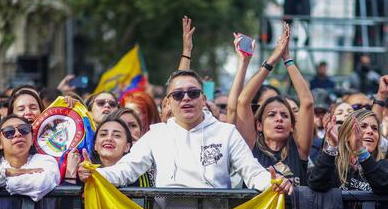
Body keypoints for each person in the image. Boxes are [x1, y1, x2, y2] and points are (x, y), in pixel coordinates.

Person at [78, 69, 293, 195]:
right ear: (168, 103)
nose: (186, 99)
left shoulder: (226, 133)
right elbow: (126, 170)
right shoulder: (156, 134)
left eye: (193, 93)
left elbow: (252, 172)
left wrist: (274, 182)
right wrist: (94, 173)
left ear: (203, 99)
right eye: (178, 95)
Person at [236, 23, 314, 187]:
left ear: (292, 126)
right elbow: (243, 101)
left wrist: (287, 58)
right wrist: (273, 59)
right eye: (271, 115)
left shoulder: (298, 149)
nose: (279, 119)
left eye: (285, 115)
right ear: (258, 125)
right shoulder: (251, 147)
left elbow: (306, 102)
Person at [0, 114, 60, 203]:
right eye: (9, 132)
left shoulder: (45, 161)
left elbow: (40, 184)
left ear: (32, 139)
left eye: (24, 129)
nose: (17, 134)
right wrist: (7, 172)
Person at [308, 109, 388, 193]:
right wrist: (332, 145)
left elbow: (384, 186)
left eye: (375, 128)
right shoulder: (333, 166)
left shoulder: (384, 166)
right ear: (347, 135)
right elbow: (316, 185)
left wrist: (361, 152)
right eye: (363, 126)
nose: (370, 131)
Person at [66, 115, 151, 187]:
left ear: (127, 147)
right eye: (103, 134)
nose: (109, 138)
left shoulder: (140, 176)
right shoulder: (82, 173)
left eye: (117, 135)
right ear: (95, 145)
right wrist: (71, 175)